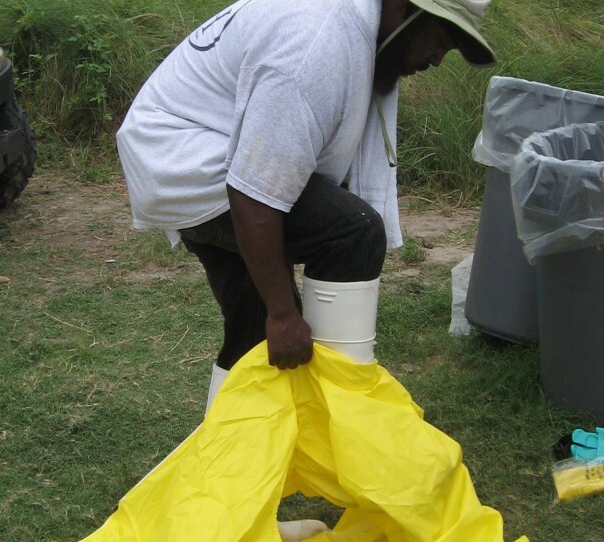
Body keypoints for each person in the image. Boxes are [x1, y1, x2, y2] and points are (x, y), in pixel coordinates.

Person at [118, 2, 495, 537]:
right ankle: (346, 433)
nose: (438, 58)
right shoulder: (318, 43)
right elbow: (254, 193)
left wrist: (274, 316)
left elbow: (295, 166)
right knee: (352, 232)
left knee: (253, 346)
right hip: (192, 160)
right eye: (440, 38)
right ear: (403, 11)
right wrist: (283, 313)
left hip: (197, 155)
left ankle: (233, 517)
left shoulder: (348, 31)